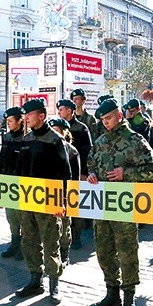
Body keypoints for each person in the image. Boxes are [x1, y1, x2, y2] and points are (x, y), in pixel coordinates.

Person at [86, 98, 153, 306]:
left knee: (127, 252)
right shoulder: (100, 141)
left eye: (109, 118)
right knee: (104, 251)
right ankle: (112, 294)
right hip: (103, 206)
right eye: (102, 120)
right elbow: (92, 165)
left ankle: (129, 298)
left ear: (119, 115)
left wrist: (126, 174)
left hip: (125, 206)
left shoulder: (135, 140)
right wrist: (91, 176)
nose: (106, 123)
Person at [16, 98, 71, 304]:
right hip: (27, 200)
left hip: (49, 202)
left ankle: (54, 283)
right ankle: (35, 279)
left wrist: (61, 202)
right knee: (29, 241)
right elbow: (20, 171)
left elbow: (64, 174)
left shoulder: (55, 140)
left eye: (29, 115)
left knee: (50, 242)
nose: (26, 119)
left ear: (41, 116)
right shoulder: (26, 139)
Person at [57, 98, 93, 249]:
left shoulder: (81, 128)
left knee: (75, 205)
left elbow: (87, 151)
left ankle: (76, 236)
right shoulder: (57, 126)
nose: (59, 112)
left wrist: (85, 172)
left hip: (78, 171)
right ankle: (65, 235)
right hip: (62, 172)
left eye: (61, 109)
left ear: (69, 111)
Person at [48, 117, 80, 265]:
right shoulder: (48, 147)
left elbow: (74, 177)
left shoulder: (71, 151)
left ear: (64, 132)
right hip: (50, 193)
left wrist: (69, 198)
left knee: (65, 225)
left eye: (56, 131)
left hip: (65, 193)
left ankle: (65, 252)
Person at [0, 107, 26, 260]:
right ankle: (14, 242)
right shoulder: (7, 137)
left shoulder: (27, 137)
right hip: (8, 182)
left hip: (22, 183)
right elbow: (1, 161)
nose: (8, 124)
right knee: (11, 216)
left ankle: (24, 246)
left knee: (23, 217)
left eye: (10, 121)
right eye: (7, 121)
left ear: (20, 120)